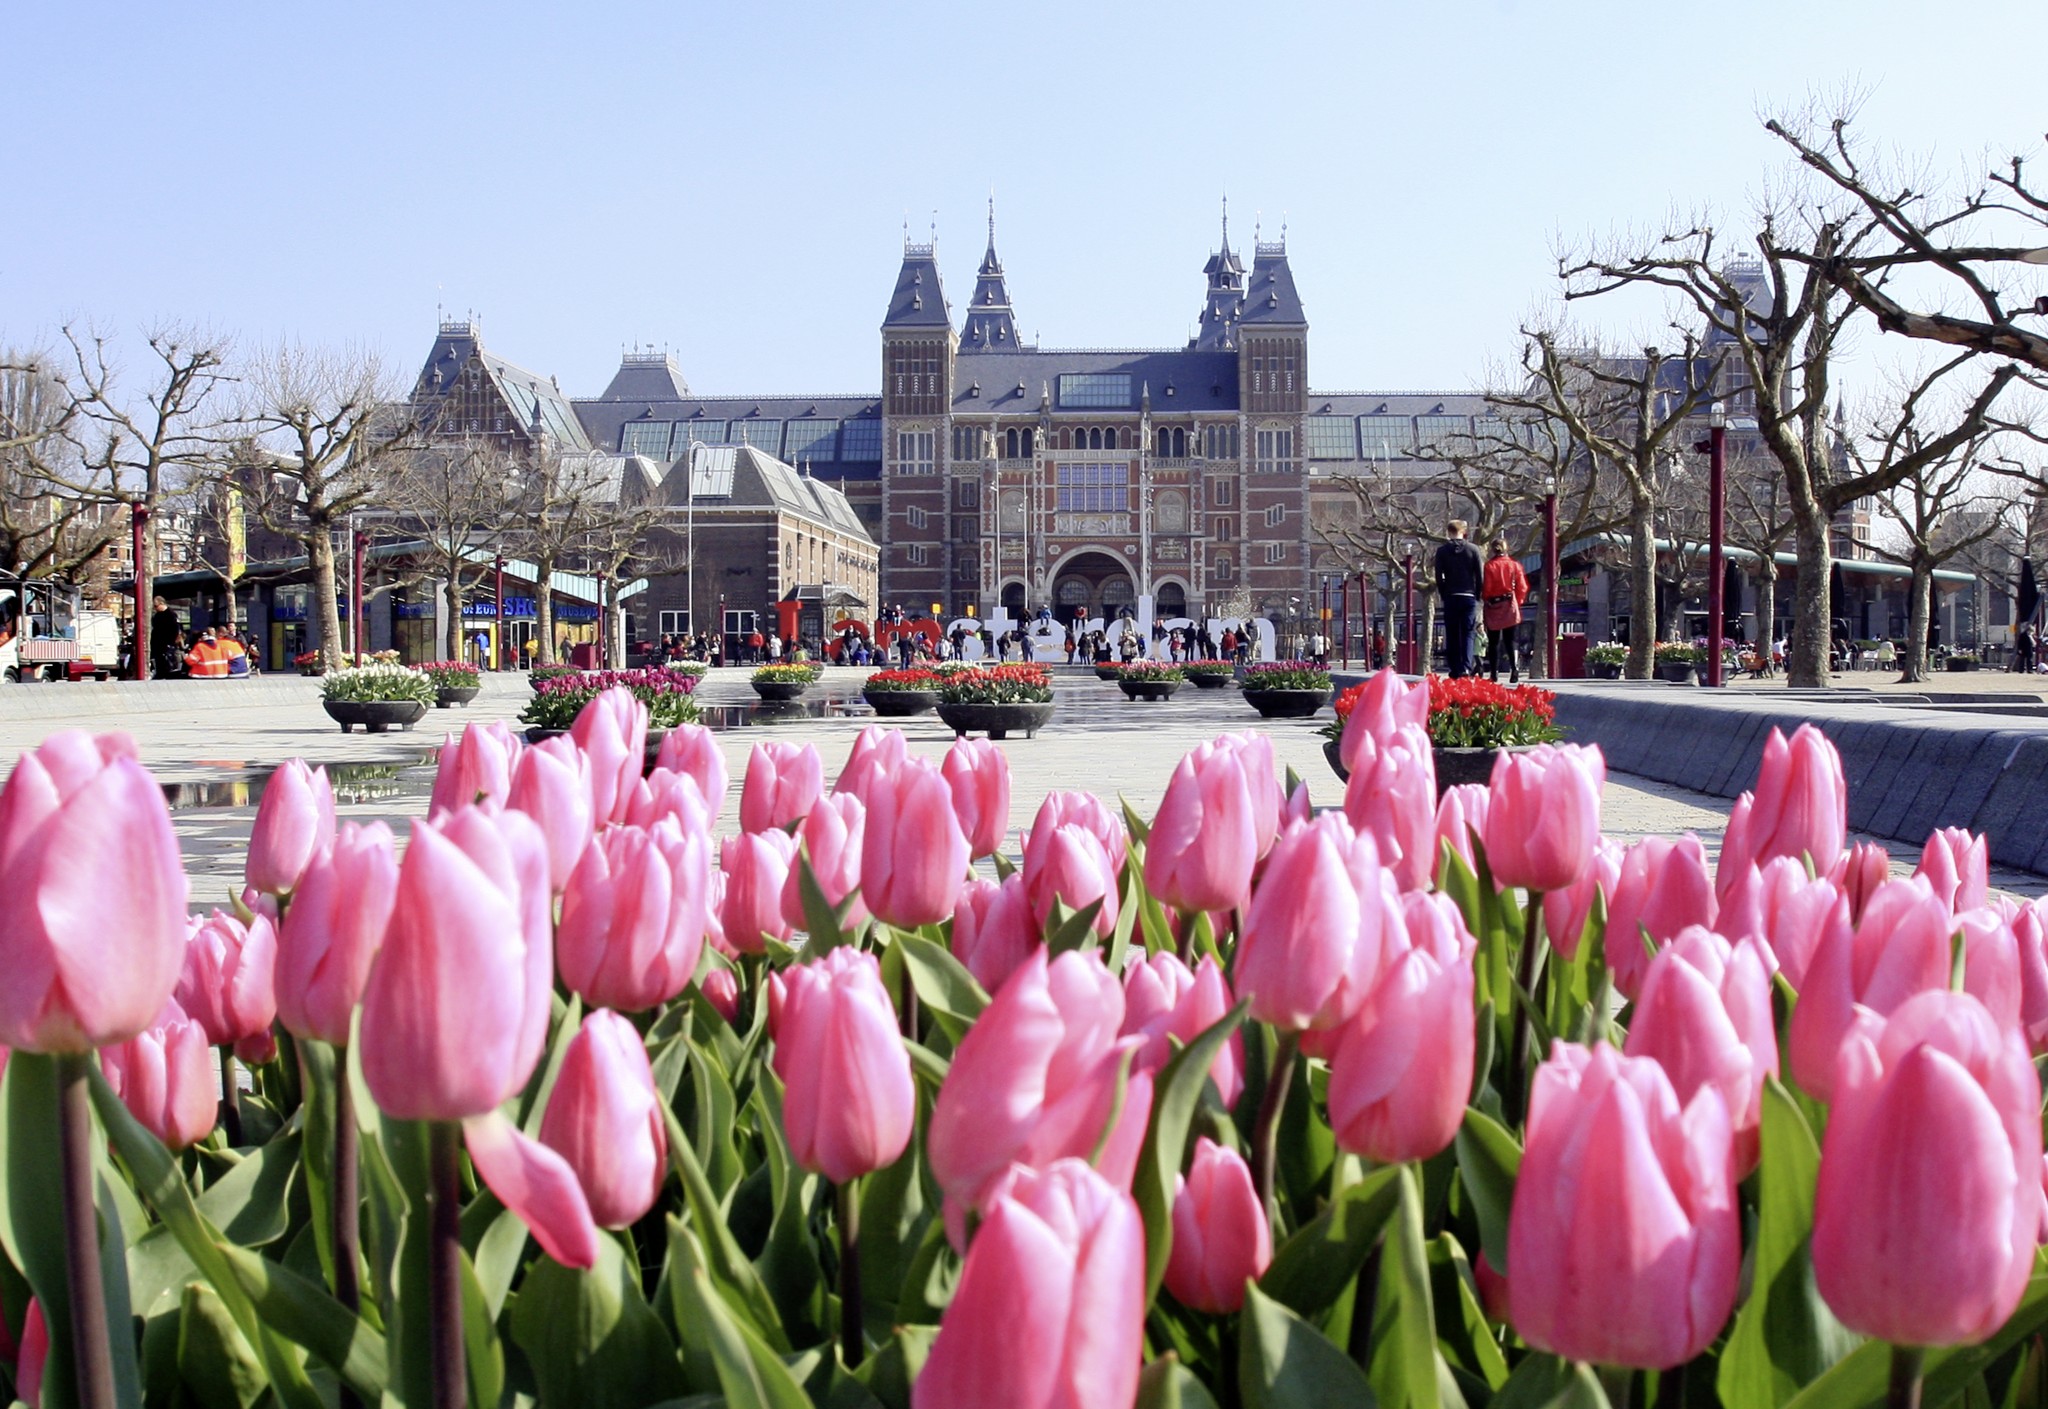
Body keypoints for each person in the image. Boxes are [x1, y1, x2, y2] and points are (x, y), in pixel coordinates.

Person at [1433, 519, 1485, 679]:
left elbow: (1438, 576)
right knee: (1468, 632)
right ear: (1464, 532)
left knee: (1452, 632)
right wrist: (1477, 595)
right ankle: (1466, 667)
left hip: (1451, 595)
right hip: (1468, 595)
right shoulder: (1473, 549)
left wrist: (1443, 593)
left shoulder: (1442, 551)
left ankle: (1454, 667)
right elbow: (1480, 575)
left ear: (1449, 532)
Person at [1481, 536, 1531, 683]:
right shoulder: (1515, 566)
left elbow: (1487, 588)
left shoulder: (1489, 566)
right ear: (1506, 548)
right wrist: (1518, 601)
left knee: (1493, 642)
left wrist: (1486, 599)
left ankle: (1494, 673)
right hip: (1509, 604)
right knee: (1511, 641)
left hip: (1494, 606)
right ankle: (1514, 669)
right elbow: (1523, 587)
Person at [149, 595, 182, 679]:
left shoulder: (171, 615)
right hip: (158, 645)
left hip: (167, 645)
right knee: (159, 665)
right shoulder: (156, 616)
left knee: (167, 666)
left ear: (161, 603)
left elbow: (176, 630)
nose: (155, 608)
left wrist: (170, 643)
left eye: (156, 606)